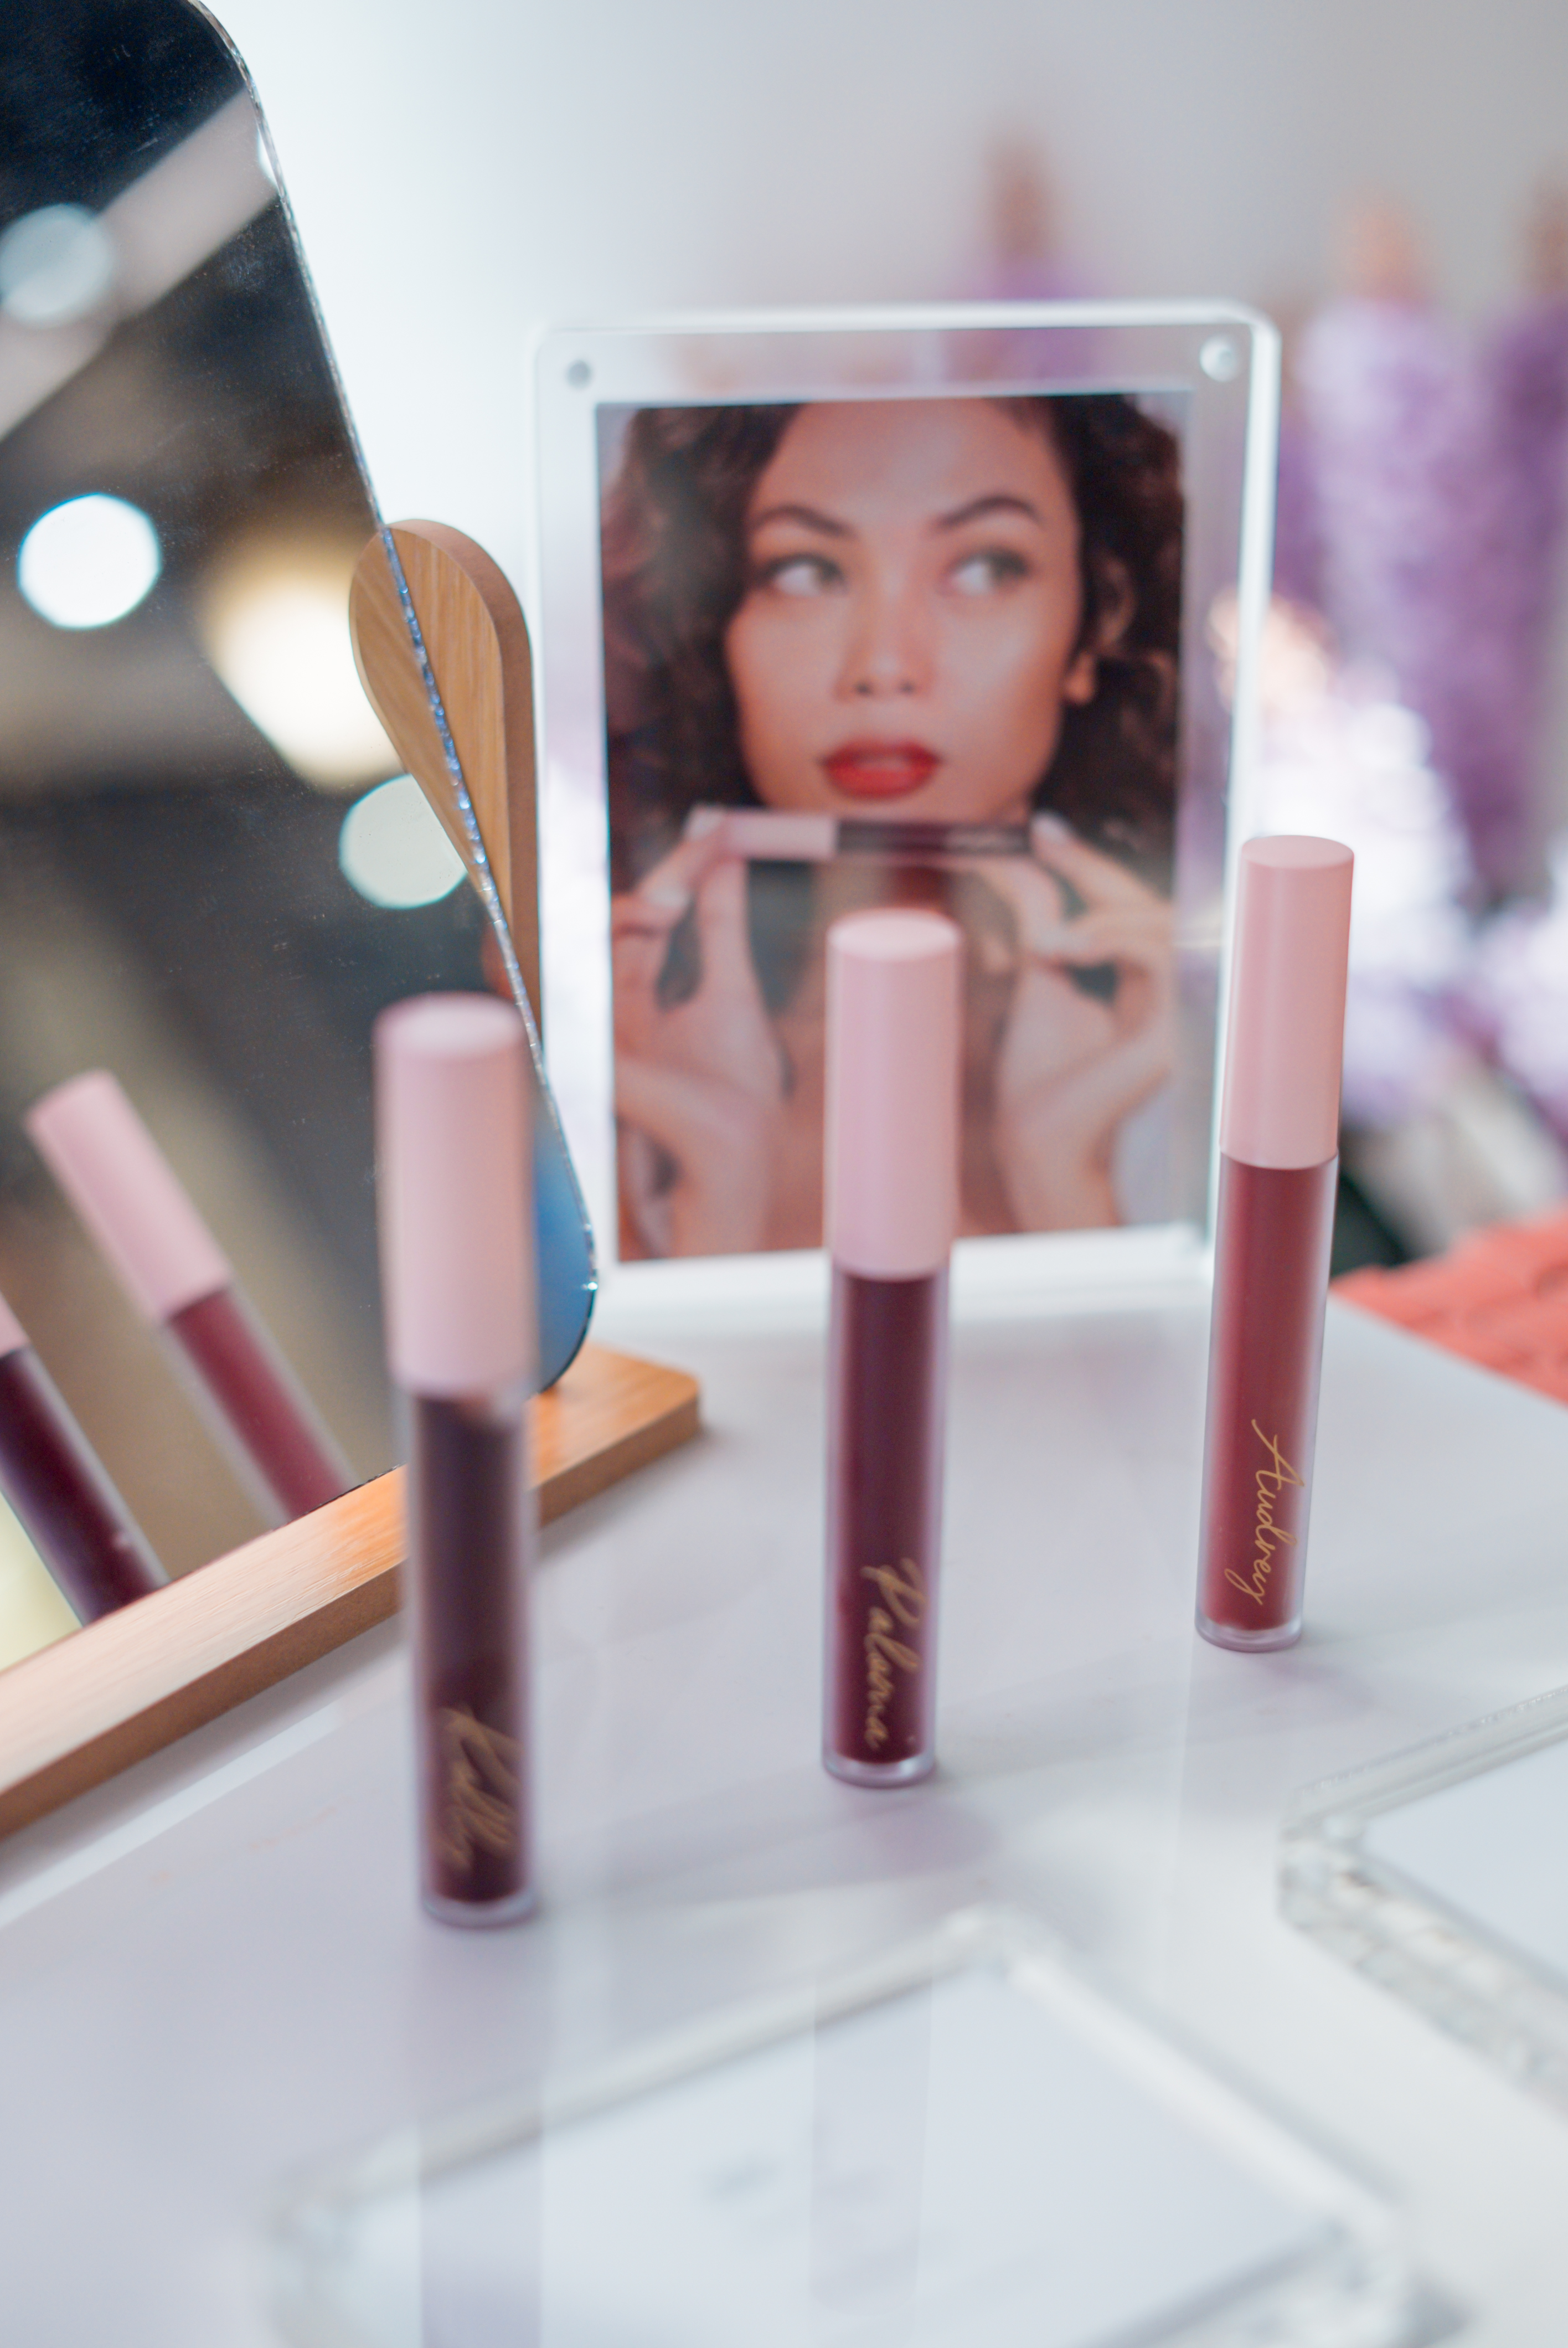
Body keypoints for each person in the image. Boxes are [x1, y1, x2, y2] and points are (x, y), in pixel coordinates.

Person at [601, 393, 1183, 1258]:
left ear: (1095, 627)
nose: (883, 665)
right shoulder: (635, 1050)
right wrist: (714, 1199)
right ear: (716, 627)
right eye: (804, 571)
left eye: (984, 568)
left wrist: (1066, 1183)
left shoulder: (1172, 1054)